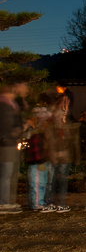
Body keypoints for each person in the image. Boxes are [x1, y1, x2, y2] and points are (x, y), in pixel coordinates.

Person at [45, 94, 78, 212]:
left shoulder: (67, 120)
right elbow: (49, 137)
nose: (65, 106)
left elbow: (72, 138)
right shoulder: (51, 120)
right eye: (63, 103)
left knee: (62, 180)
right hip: (54, 154)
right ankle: (49, 203)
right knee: (51, 180)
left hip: (65, 154)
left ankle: (60, 203)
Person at [0, 81, 28, 213]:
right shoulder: (5, 106)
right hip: (7, 144)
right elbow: (6, 126)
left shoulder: (11, 105)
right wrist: (17, 130)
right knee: (6, 174)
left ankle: (8, 201)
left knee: (8, 174)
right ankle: (3, 202)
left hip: (9, 143)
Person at [24, 106, 51, 212]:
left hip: (39, 161)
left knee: (40, 183)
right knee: (37, 183)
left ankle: (38, 202)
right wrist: (41, 160)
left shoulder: (37, 133)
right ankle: (37, 203)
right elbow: (36, 150)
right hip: (37, 162)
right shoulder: (35, 133)